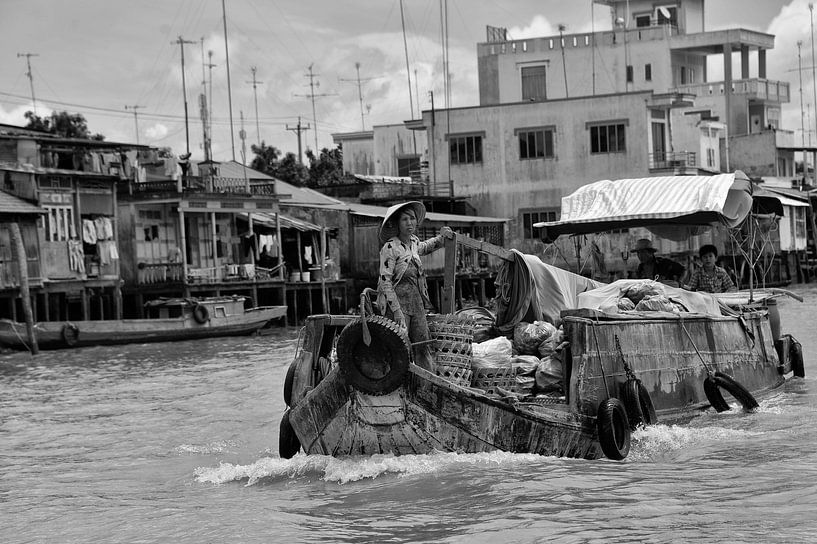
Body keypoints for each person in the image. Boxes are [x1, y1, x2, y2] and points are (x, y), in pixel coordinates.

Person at [376, 201, 454, 371]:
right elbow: (385, 281)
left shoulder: (413, 242)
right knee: (397, 347)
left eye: (412, 218)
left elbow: (425, 247)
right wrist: (396, 312)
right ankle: (395, 388)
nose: (409, 223)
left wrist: (442, 238)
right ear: (397, 223)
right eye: (404, 219)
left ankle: (426, 386)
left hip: (417, 302)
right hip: (397, 305)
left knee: (422, 344)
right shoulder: (390, 247)